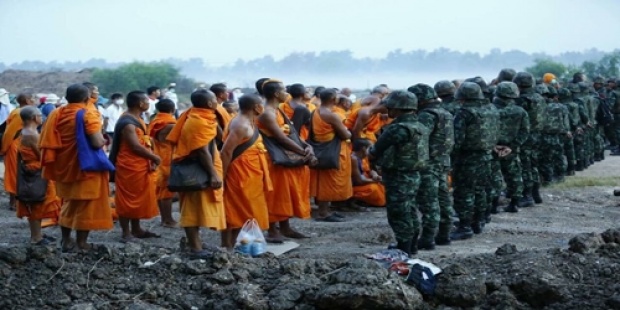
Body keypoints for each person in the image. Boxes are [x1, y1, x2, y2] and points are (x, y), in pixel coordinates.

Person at [40, 84, 113, 252]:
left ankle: (66, 240)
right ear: (87, 99)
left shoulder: (57, 113)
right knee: (86, 204)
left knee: (69, 203)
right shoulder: (87, 114)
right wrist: (104, 140)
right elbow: (96, 142)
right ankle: (82, 243)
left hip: (64, 166)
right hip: (85, 167)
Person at [166, 89, 226, 258]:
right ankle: (195, 248)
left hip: (204, 166)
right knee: (191, 210)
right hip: (198, 170)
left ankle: (198, 244)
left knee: (198, 209)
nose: (217, 101)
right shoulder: (197, 121)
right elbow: (202, 151)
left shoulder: (201, 116)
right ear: (209, 103)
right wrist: (213, 174)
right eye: (214, 99)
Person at [368, 90, 428, 255]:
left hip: (398, 175)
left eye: (391, 108)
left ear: (398, 108)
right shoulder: (420, 126)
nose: (388, 111)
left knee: (398, 212)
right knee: (410, 210)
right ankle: (412, 245)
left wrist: (371, 155)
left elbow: (376, 149)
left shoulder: (398, 128)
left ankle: (404, 247)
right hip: (414, 174)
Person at [257, 79, 315, 241]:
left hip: (286, 155)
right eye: (284, 91)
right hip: (274, 158)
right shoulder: (266, 112)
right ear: (276, 94)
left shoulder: (278, 110)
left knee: (286, 194)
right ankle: (272, 230)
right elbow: (281, 137)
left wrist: (306, 147)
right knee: (275, 194)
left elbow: (292, 133)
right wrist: (303, 153)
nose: (287, 94)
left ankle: (286, 227)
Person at [221, 94, 272, 249]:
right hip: (240, 173)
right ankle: (226, 244)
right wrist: (221, 177)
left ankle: (237, 244)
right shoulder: (241, 125)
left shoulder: (249, 122)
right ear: (256, 107)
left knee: (245, 208)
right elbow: (226, 152)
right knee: (236, 208)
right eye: (261, 104)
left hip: (251, 173)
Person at [110, 91, 161, 242]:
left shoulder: (136, 118)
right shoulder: (128, 123)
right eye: (146, 101)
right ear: (140, 104)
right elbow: (135, 146)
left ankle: (137, 229)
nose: (148, 103)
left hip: (139, 165)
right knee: (127, 199)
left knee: (138, 197)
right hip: (129, 166)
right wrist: (154, 157)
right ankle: (126, 233)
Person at [408, 83, 454, 248]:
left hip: (429, 164)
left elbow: (418, 138)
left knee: (429, 201)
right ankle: (444, 234)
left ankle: (427, 238)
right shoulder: (445, 112)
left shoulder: (427, 115)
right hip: (442, 161)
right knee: (443, 199)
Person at [451, 82, 496, 240]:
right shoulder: (491, 110)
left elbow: (457, 139)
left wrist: (451, 157)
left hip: (467, 158)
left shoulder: (464, 113)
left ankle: (464, 226)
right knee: (480, 190)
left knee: (464, 191)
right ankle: (478, 222)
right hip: (487, 156)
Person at [15, 106, 61, 244]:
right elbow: (41, 156)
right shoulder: (32, 135)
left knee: (37, 202)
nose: (42, 118)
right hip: (36, 172)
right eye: (40, 115)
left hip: (30, 170)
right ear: (34, 117)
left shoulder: (24, 132)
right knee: (38, 203)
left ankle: (38, 234)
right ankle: (36, 237)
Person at [309, 88, 353, 222]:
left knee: (324, 181)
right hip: (332, 150)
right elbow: (345, 134)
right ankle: (323, 212)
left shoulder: (315, 110)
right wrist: (347, 131)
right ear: (333, 100)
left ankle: (326, 209)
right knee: (329, 181)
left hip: (322, 148)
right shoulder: (331, 115)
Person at [493, 82, 530, 213]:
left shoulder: (491, 110)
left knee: (494, 177)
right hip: (511, 149)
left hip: (494, 149)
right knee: (514, 176)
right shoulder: (521, 111)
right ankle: (514, 204)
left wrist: (493, 146)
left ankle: (493, 206)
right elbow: (525, 131)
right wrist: (512, 146)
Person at [513, 72, 547, 206]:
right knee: (533, 164)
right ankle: (535, 193)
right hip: (538, 134)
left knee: (525, 165)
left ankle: (527, 196)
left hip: (525, 136)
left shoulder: (521, 99)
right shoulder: (539, 97)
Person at [147, 99, 178, 227]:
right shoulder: (170, 124)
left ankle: (164, 218)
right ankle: (168, 219)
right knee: (167, 192)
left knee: (160, 190)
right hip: (168, 159)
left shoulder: (155, 121)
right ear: (173, 109)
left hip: (158, 156)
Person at [1, 93, 35, 211]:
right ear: (26, 100)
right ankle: (13, 202)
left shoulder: (23, 112)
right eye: (33, 98)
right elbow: (9, 133)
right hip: (14, 146)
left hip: (23, 145)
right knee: (14, 174)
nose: (35, 100)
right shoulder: (18, 113)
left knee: (23, 173)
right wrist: (4, 149)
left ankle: (21, 200)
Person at [351, 138, 385, 207]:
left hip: (364, 182)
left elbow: (369, 170)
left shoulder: (363, 158)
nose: (372, 151)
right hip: (354, 186)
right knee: (373, 188)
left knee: (382, 187)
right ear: (363, 149)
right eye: (370, 148)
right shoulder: (353, 159)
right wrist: (375, 181)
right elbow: (359, 181)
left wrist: (375, 175)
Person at [209, 83, 233, 149]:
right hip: (218, 142)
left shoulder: (219, 107)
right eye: (227, 92)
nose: (228, 94)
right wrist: (225, 141)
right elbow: (216, 125)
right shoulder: (215, 108)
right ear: (221, 95)